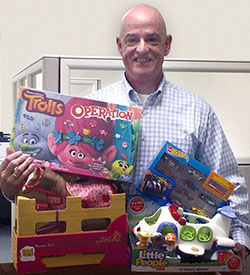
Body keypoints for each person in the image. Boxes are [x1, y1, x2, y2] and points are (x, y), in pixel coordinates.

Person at [0, 4, 249, 267]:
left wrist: (240, 239)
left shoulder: (198, 110)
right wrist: (11, 188)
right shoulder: (89, 108)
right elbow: (62, 186)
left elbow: (230, 183)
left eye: (152, 39)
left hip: (176, 254)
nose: (142, 48)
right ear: (120, 46)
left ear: (167, 45)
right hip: (100, 251)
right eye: (133, 40)